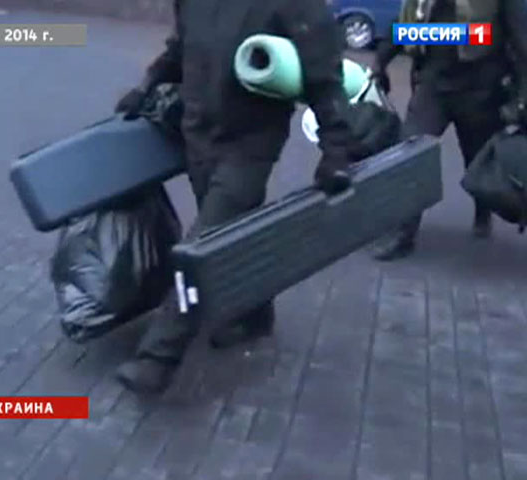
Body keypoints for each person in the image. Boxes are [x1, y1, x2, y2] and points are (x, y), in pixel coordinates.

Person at [113, 0, 362, 394]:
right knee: (232, 230)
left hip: (251, 143)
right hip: (198, 134)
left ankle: (158, 356)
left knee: (202, 245)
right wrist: (145, 87)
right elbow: (180, 49)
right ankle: (255, 312)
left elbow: (324, 77)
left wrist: (336, 151)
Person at [369, 0, 527, 261]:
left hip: (481, 91)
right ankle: (403, 233)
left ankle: (482, 210)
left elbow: (520, 38)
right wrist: (380, 61)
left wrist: (522, 94)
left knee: (476, 159)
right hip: (433, 86)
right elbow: (406, 25)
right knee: (410, 154)